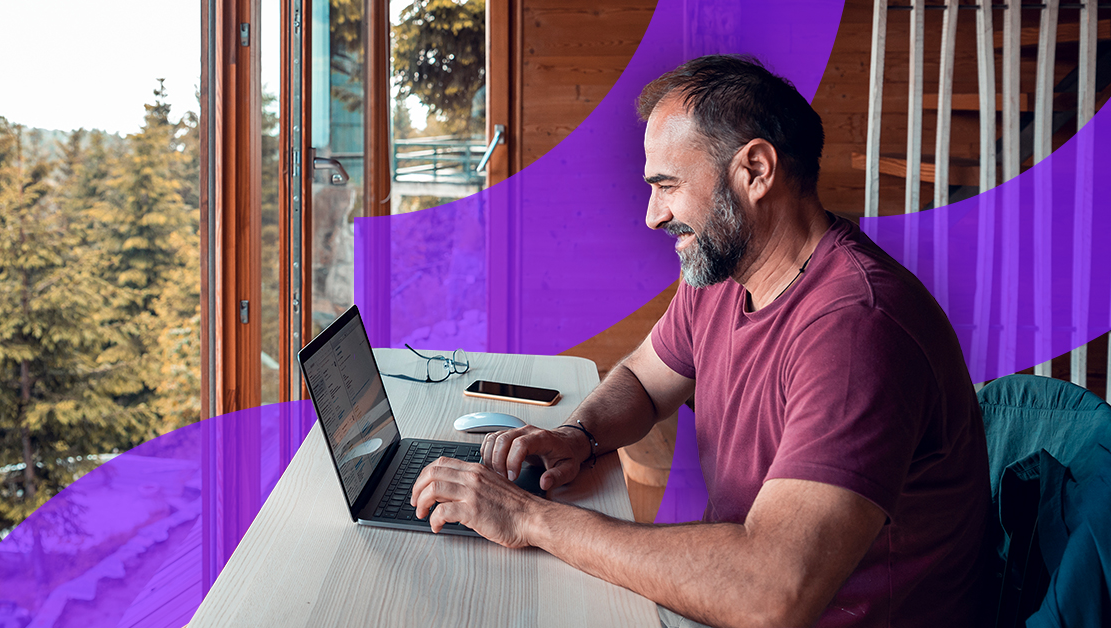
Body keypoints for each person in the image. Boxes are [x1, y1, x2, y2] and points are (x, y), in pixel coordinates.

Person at [410, 55, 990, 627]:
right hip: (735, 590)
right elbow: (642, 380)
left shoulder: (857, 328)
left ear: (756, 170)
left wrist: (529, 519)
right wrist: (577, 435)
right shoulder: (725, 273)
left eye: (668, 186)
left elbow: (771, 593)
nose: (652, 216)